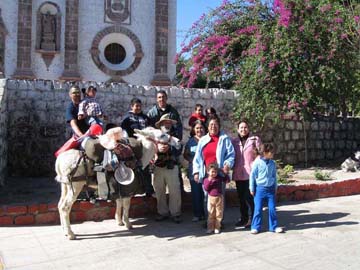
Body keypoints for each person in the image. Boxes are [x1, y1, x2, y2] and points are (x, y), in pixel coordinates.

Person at [192, 115, 235, 225]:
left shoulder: (224, 139)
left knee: (219, 198)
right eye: (211, 125)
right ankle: (209, 221)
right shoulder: (203, 140)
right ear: (207, 127)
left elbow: (231, 155)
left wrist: (227, 164)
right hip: (207, 175)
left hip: (219, 174)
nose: (213, 127)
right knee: (207, 198)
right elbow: (197, 158)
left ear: (219, 126)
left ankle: (219, 222)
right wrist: (196, 172)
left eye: (215, 124)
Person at [152, 114, 182, 223]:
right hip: (158, 166)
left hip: (172, 166)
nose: (167, 124)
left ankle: (175, 213)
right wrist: (157, 149)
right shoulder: (155, 135)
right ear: (161, 124)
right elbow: (149, 148)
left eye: (169, 122)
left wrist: (169, 148)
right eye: (165, 122)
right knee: (159, 190)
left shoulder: (175, 134)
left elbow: (179, 149)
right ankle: (162, 212)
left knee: (174, 190)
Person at [231, 120, 262, 228]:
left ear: (248, 128)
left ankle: (254, 218)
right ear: (237, 129)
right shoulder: (234, 141)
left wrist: (256, 166)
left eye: (245, 127)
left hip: (251, 174)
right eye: (241, 128)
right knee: (241, 198)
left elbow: (260, 155)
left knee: (250, 197)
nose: (243, 130)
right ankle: (243, 218)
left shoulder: (254, 140)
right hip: (239, 174)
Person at [121, 98, 154, 196]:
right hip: (133, 146)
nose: (138, 108)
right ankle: (132, 190)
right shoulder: (127, 118)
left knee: (146, 167)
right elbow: (124, 131)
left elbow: (150, 130)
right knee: (134, 168)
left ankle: (148, 190)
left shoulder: (145, 118)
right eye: (136, 106)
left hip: (145, 146)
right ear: (132, 106)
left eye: (139, 106)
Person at [249, 143, 283, 234]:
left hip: (270, 189)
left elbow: (274, 176)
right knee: (258, 208)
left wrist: (275, 187)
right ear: (264, 152)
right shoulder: (257, 162)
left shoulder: (272, 163)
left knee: (272, 208)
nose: (273, 154)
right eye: (271, 152)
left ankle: (273, 227)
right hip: (259, 189)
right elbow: (252, 176)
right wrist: (252, 188)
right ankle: (255, 226)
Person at [183, 120, 206, 222]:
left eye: (201, 128)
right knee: (196, 194)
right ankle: (197, 214)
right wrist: (193, 160)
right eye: (197, 128)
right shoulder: (190, 141)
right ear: (193, 129)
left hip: (207, 171)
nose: (199, 130)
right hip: (194, 171)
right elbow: (186, 154)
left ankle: (207, 214)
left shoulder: (207, 139)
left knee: (206, 194)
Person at [203, 163, 230, 234]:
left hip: (219, 198)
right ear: (208, 172)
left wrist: (226, 173)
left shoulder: (219, 177)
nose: (213, 173)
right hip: (211, 198)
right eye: (212, 172)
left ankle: (217, 227)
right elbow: (206, 188)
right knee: (211, 213)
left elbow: (227, 180)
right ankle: (210, 227)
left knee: (219, 213)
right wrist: (210, 181)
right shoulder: (206, 180)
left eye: (215, 172)